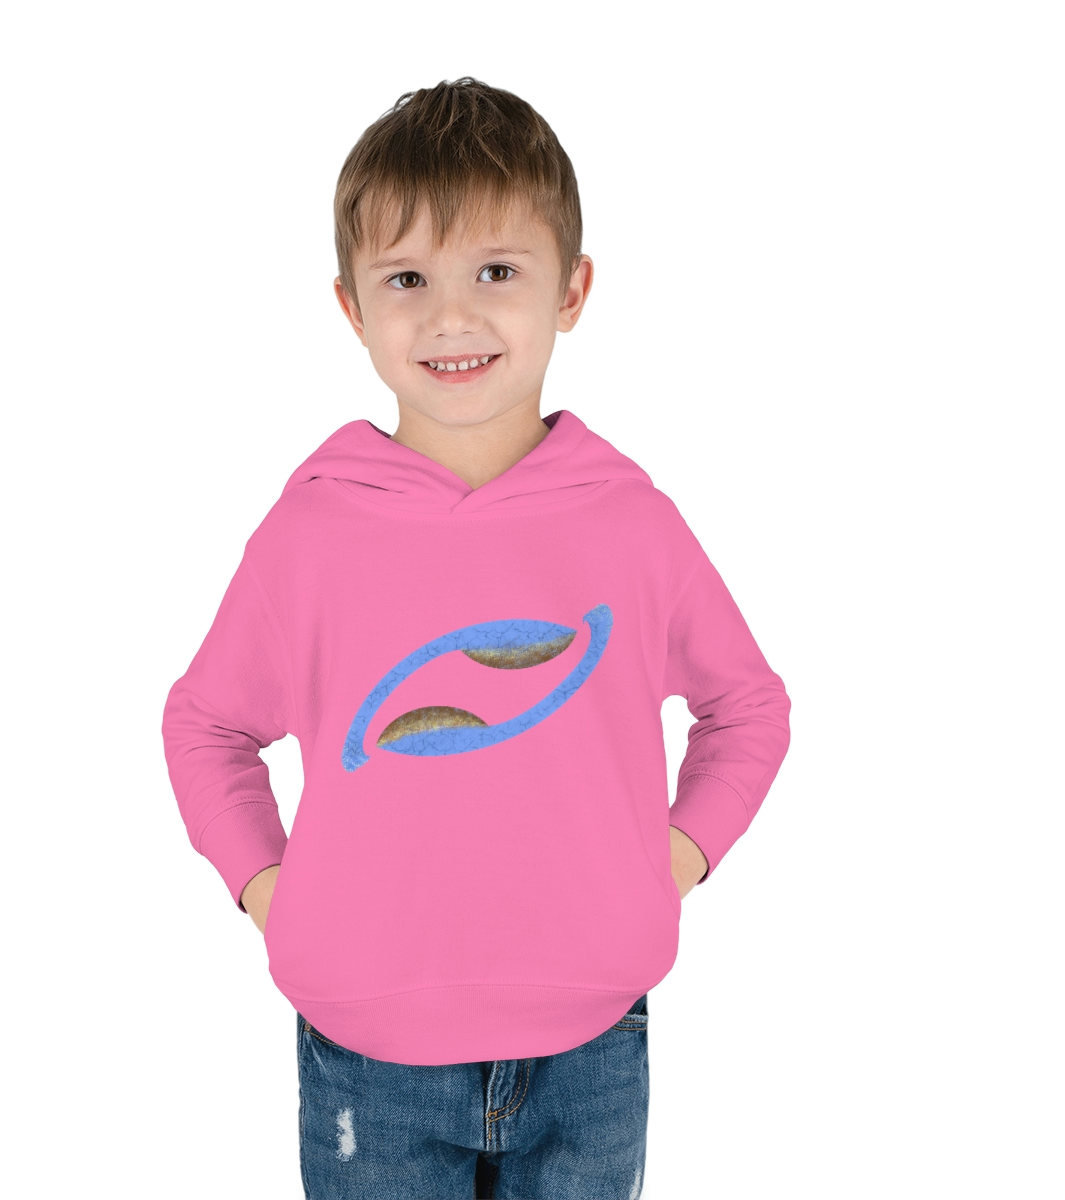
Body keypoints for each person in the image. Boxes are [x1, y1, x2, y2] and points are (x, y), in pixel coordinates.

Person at [162, 77, 791, 1200]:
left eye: (496, 271)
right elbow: (207, 723)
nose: (451, 317)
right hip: (367, 1054)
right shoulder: (311, 531)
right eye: (407, 279)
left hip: (593, 1045)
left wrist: (676, 860)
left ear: (572, 289)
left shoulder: (631, 522)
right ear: (352, 307)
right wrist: (268, 890)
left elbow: (747, 705)